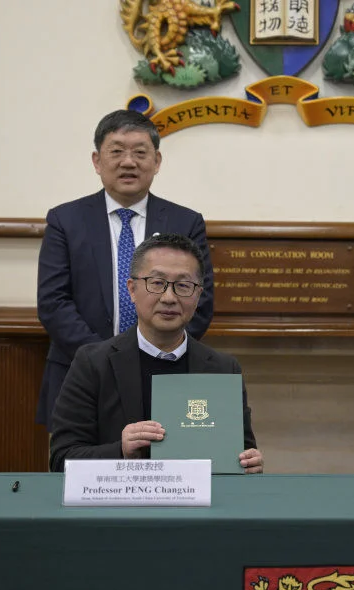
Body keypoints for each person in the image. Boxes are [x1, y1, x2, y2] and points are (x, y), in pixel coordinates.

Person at [37, 109, 214, 432]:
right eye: (116, 151)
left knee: (165, 474)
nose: (128, 162)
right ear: (96, 160)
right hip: (81, 374)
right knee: (79, 475)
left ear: (157, 161)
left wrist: (150, 355)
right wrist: (103, 359)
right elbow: (53, 303)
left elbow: (200, 301)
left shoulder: (185, 222)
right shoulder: (65, 220)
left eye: (140, 152)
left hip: (164, 373)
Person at [49, 233, 261, 473]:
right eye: (157, 283)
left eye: (183, 285)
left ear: (198, 294)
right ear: (132, 289)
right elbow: (61, 460)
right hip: (119, 507)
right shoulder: (92, 363)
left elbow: (241, 452)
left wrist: (249, 464)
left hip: (196, 508)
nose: (169, 298)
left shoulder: (223, 369)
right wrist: (121, 451)